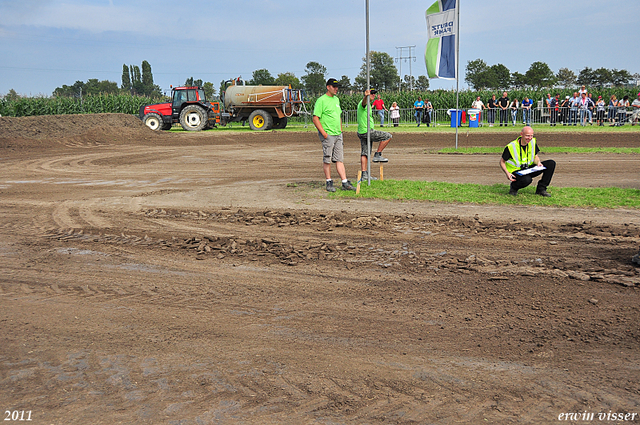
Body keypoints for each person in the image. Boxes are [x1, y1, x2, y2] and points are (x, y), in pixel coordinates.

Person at [312, 78, 355, 192]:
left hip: (338, 134)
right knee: (327, 159)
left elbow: (338, 116)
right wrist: (324, 134)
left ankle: (344, 182)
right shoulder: (321, 100)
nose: (336, 89)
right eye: (334, 87)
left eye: (337, 87)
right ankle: (329, 181)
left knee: (339, 159)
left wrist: (340, 130)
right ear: (328, 87)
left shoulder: (336, 100)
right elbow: (315, 118)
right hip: (328, 134)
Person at [500, 126, 556, 197]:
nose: (529, 138)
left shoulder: (532, 142)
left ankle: (541, 189)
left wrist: (538, 162)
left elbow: (535, 156)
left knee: (551, 163)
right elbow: (502, 161)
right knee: (527, 180)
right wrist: (507, 173)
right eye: (527, 136)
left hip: (528, 168)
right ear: (521, 134)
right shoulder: (511, 147)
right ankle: (514, 187)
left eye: (531, 136)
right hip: (517, 171)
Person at [357, 89, 392, 182]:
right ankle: (377, 154)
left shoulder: (368, 105)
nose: (373, 95)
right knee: (388, 136)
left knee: (365, 153)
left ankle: (364, 175)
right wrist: (366, 96)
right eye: (371, 93)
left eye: (374, 94)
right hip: (367, 131)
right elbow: (364, 102)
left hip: (361, 131)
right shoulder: (364, 103)